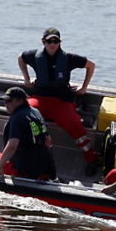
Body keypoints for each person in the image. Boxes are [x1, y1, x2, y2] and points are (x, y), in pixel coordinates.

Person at [18, 27, 101, 175]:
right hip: (40, 98)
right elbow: (20, 58)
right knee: (24, 114)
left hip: (62, 101)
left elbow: (91, 65)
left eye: (56, 41)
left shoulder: (69, 58)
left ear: (60, 42)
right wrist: (26, 78)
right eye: (49, 41)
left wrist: (84, 87)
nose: (53, 44)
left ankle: (91, 158)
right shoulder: (33, 56)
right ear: (43, 42)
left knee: (74, 124)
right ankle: (23, 153)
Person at [0, 86, 55, 180]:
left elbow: (12, 145)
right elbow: (48, 141)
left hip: (23, 173)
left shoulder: (17, 118)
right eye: (4, 101)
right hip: (42, 169)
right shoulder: (35, 112)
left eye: (9, 101)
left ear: (20, 101)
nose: (6, 104)